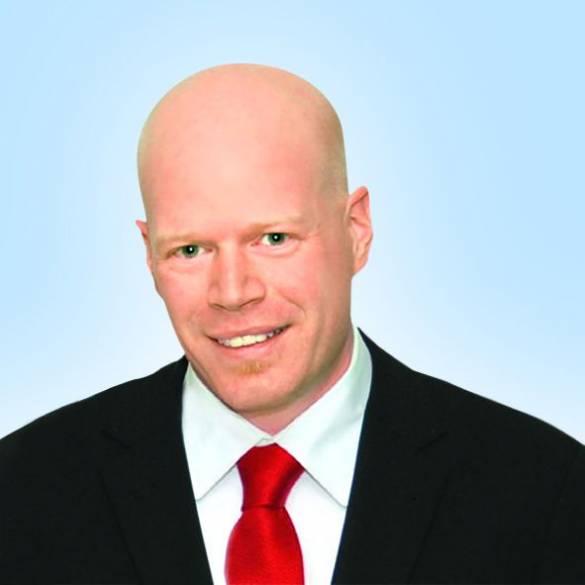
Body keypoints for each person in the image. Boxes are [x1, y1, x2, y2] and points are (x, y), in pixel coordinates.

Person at [0, 64, 583, 585]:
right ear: (149, 253)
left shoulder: (546, 494)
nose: (233, 292)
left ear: (356, 230)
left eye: (274, 238)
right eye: (191, 250)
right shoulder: (23, 493)